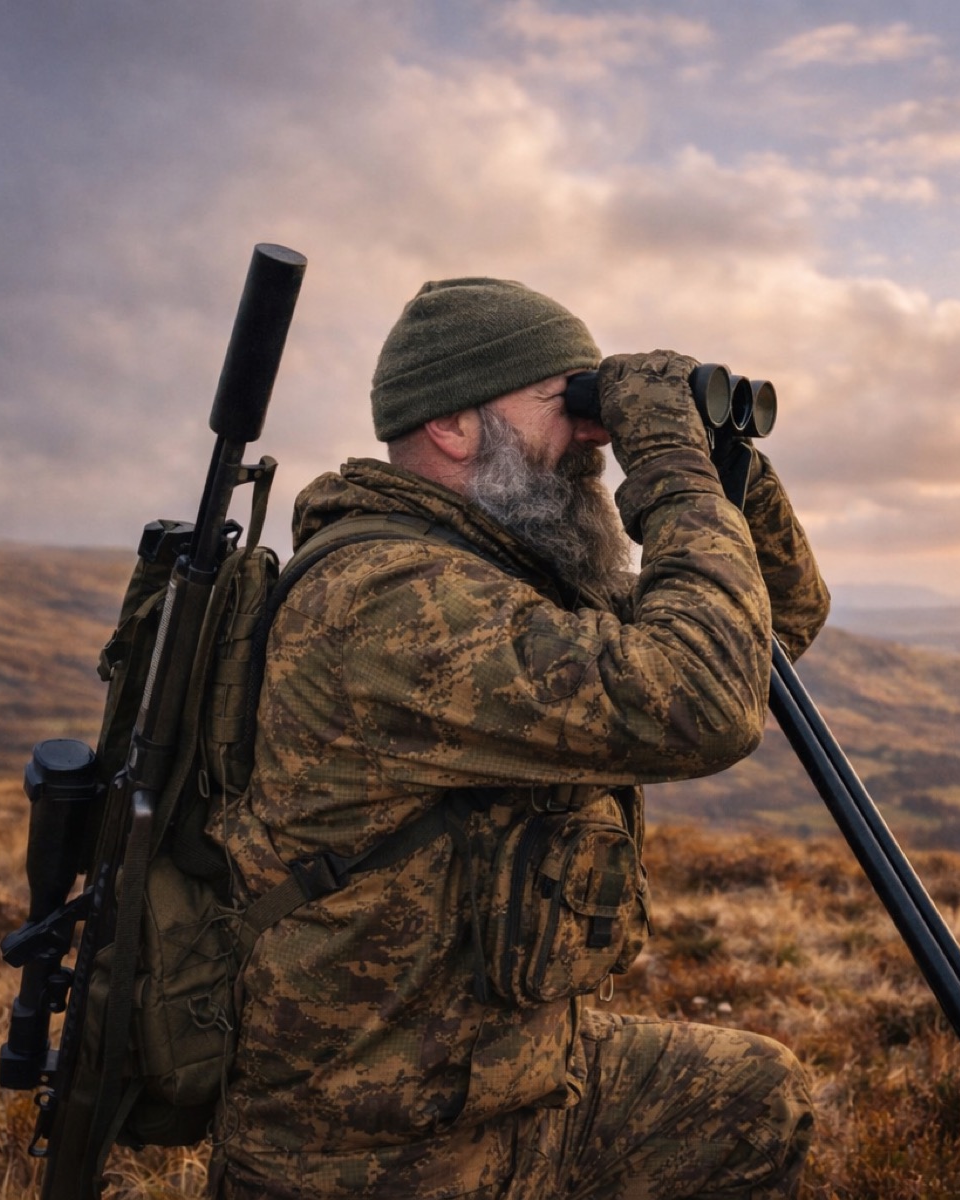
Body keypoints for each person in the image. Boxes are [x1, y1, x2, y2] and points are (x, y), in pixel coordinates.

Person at [212, 277, 830, 1199]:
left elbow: (773, 624)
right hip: (378, 1149)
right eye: (567, 402)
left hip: (514, 1083)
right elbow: (701, 697)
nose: (595, 433)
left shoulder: (503, 570)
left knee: (754, 1098)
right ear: (455, 428)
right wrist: (663, 457)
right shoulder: (387, 599)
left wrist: (715, 453)